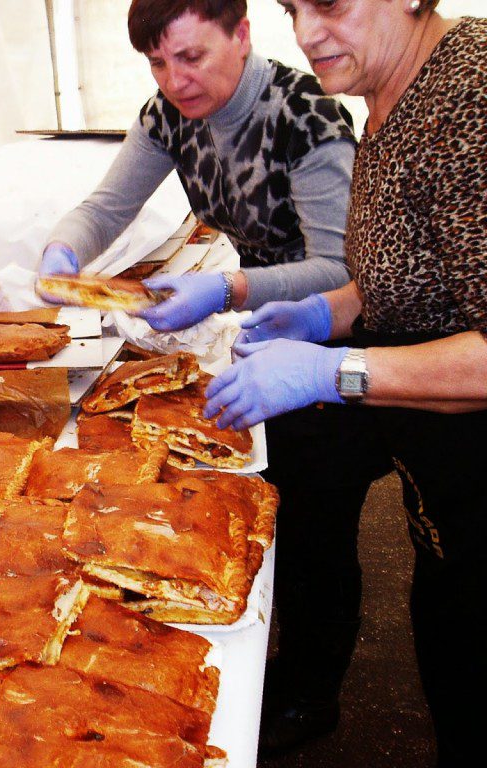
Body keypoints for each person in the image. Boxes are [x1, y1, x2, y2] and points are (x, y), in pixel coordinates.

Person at [39, 0, 394, 755]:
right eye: (159, 63)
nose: (175, 80)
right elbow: (107, 205)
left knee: (315, 524)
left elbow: (343, 268)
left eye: (192, 57)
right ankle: (272, 667)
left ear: (242, 34)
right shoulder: (169, 114)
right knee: (264, 510)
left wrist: (230, 289)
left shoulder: (307, 116)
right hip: (269, 330)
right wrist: (64, 252)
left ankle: (313, 697)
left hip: (333, 344)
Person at [204, 2, 487, 764]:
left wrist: (339, 371)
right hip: (441, 481)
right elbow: (407, 272)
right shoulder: (388, 92)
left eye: (330, 3)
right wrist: (325, 312)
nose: (306, 32)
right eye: (293, 7)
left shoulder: (473, 98)